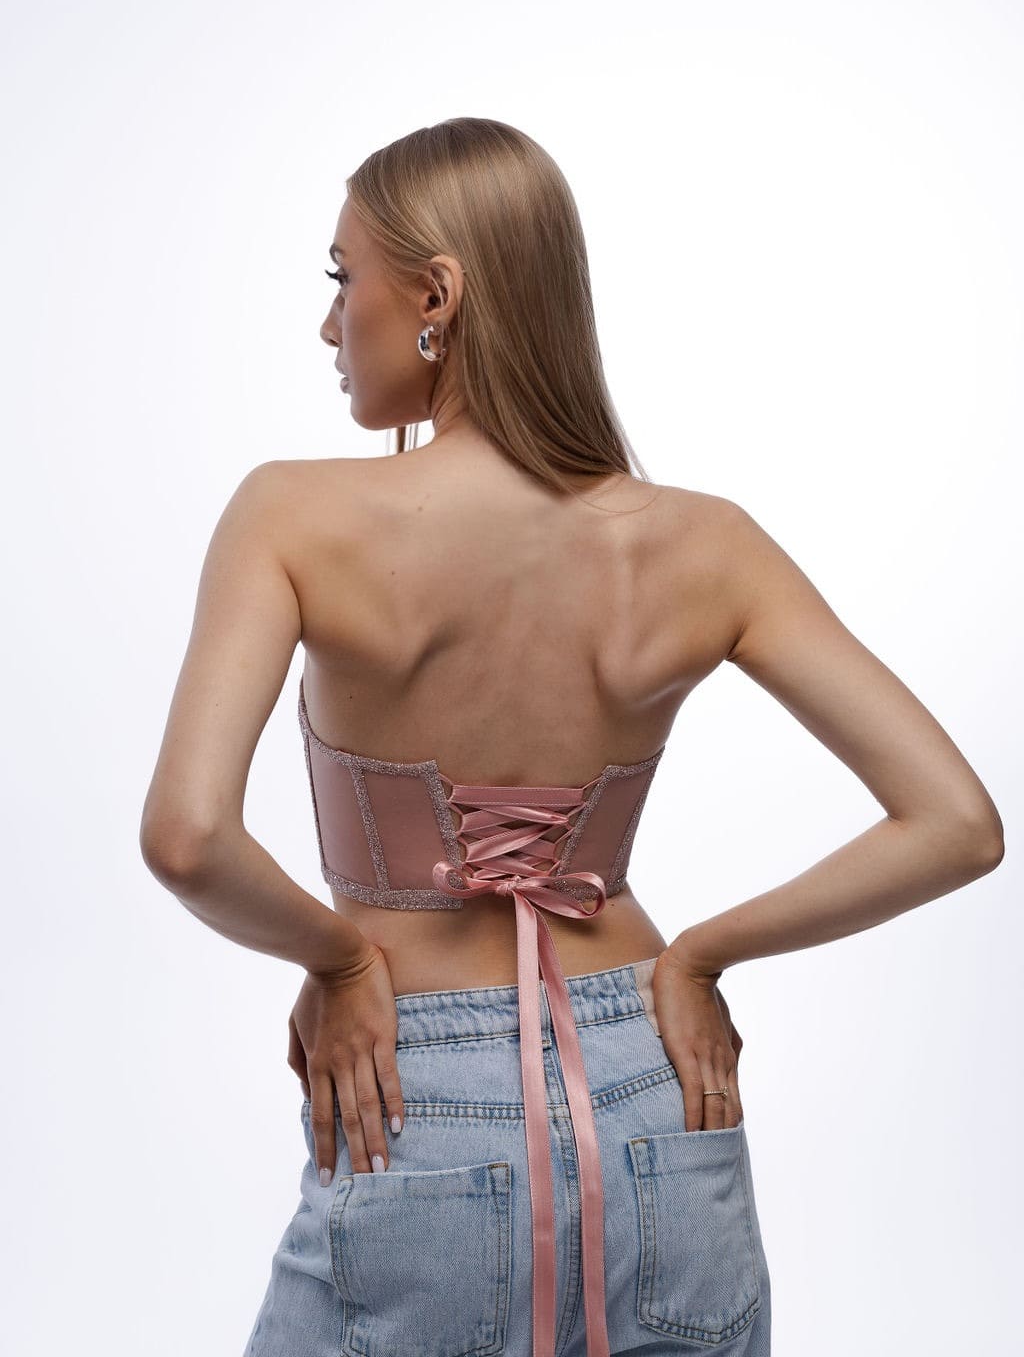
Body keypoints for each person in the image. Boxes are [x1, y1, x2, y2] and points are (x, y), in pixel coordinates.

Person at [139, 117, 1005, 1357]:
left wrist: (337, 963)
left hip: (416, 1102)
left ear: (434, 296)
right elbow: (956, 824)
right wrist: (699, 957)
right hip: (656, 1087)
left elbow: (187, 837)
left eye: (343, 278)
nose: (330, 325)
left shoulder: (293, 513)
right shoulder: (705, 542)